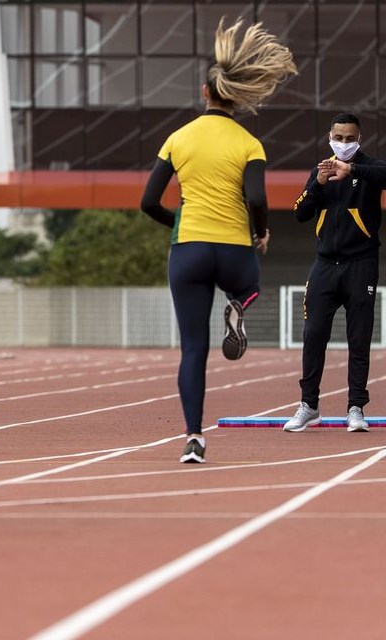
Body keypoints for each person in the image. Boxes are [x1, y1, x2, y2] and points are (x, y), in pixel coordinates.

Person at [140, 17, 296, 463]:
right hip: (233, 249)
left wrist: (178, 223)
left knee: (192, 350)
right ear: (237, 96)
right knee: (249, 286)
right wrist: (260, 231)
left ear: (206, 93)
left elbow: (148, 201)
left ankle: (193, 437)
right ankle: (238, 306)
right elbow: (257, 196)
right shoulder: (249, 142)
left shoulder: (178, 138)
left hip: (188, 249)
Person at [282, 113, 386, 433]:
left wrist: (351, 168)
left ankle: (355, 407)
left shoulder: (369, 168)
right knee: (314, 335)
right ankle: (309, 406)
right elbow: (300, 212)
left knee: (359, 337)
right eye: (338, 138)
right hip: (326, 264)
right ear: (329, 136)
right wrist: (319, 184)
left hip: (361, 264)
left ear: (359, 139)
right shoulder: (321, 171)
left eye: (349, 138)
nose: (343, 144)